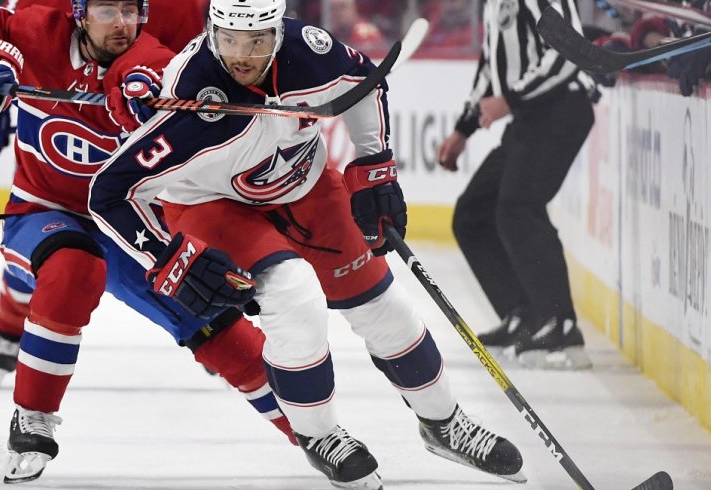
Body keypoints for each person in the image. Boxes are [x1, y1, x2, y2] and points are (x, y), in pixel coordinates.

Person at [88, 0, 525, 488]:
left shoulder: (310, 51)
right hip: (212, 205)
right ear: (213, 31)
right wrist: (168, 256)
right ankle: (320, 436)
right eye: (229, 38)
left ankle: (445, 424)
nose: (241, 55)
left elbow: (363, 85)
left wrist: (375, 168)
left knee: (387, 309)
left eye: (255, 40)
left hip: (305, 185)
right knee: (295, 299)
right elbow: (108, 192)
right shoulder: (190, 99)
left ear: (277, 31)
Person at [0, 0, 295, 483]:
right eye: (105, 9)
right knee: (71, 267)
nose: (120, 22)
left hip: (129, 219)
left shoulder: (166, 31)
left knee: (212, 319)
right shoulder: (38, 27)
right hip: (45, 209)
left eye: (129, 10)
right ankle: (32, 416)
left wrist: (160, 93)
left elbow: (183, 60)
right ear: (78, 12)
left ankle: (312, 431)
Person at [0, 0, 203, 380]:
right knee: (43, 222)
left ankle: (206, 324)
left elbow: (191, 66)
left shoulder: (177, 6)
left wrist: (162, 99)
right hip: (63, 131)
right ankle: (12, 322)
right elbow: (2, 32)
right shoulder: (52, 12)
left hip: (135, 132)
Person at [436, 0, 596, 370]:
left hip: (562, 108)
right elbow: (490, 66)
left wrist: (511, 99)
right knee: (472, 215)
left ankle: (561, 323)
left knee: (518, 208)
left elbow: (569, 51)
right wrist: (463, 129)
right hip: (529, 118)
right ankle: (524, 314)